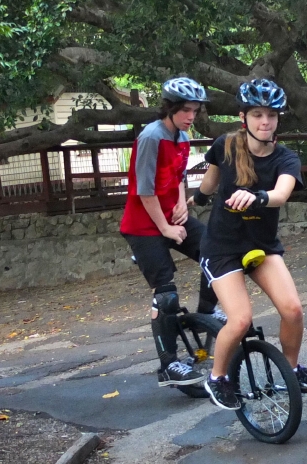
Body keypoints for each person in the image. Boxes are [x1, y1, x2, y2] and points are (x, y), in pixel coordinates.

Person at [192, 78, 307, 410]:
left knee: (293, 310)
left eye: (271, 115)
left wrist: (256, 197)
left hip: (262, 246)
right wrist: (189, 203)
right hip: (222, 249)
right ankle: (217, 377)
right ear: (244, 117)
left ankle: (292, 369)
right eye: (257, 114)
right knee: (239, 320)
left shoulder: (285, 158)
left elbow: (281, 194)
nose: (265, 121)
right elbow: (209, 183)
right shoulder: (224, 145)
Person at [119, 76, 225, 388]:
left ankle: (207, 312)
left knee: (215, 249)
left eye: (195, 110)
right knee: (166, 296)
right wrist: (165, 227)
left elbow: (178, 176)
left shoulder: (181, 136)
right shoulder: (152, 138)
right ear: (170, 109)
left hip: (169, 216)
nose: (192, 116)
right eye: (186, 111)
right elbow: (144, 192)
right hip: (143, 226)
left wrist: (181, 205)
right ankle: (169, 365)